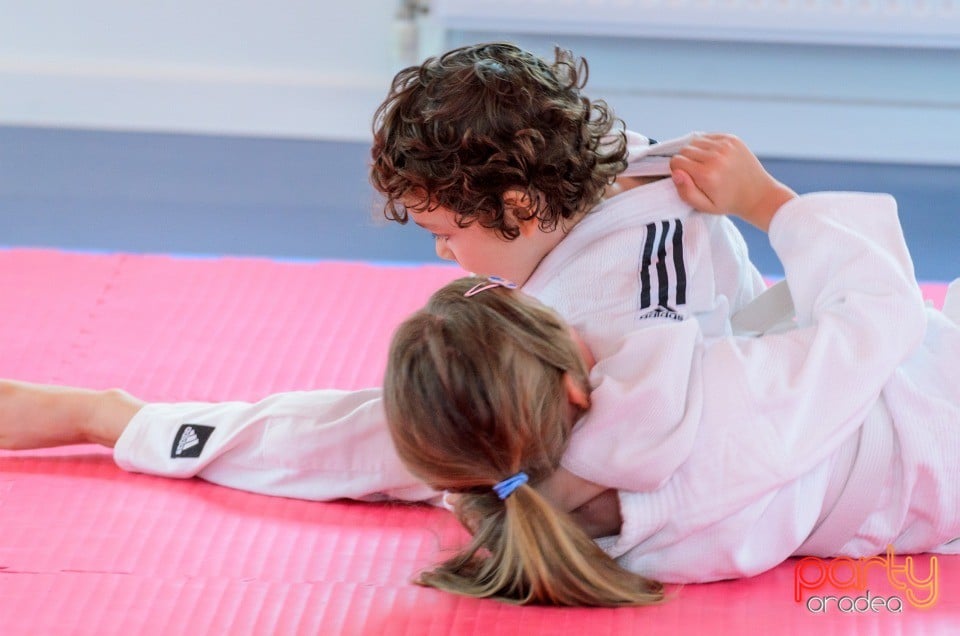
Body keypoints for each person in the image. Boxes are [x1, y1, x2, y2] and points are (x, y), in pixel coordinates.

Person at [0, 44, 765, 510]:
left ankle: (106, 418)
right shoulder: (603, 164)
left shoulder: (624, 318)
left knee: (396, 428)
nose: (440, 255)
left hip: (786, 480)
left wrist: (113, 421)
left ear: (523, 206)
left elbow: (386, 446)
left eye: (444, 233)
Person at [382, 136, 960, 607]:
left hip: (904, 503)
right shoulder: (712, 403)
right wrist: (767, 201)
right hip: (933, 426)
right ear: (570, 386)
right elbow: (882, 310)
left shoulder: (522, 513)